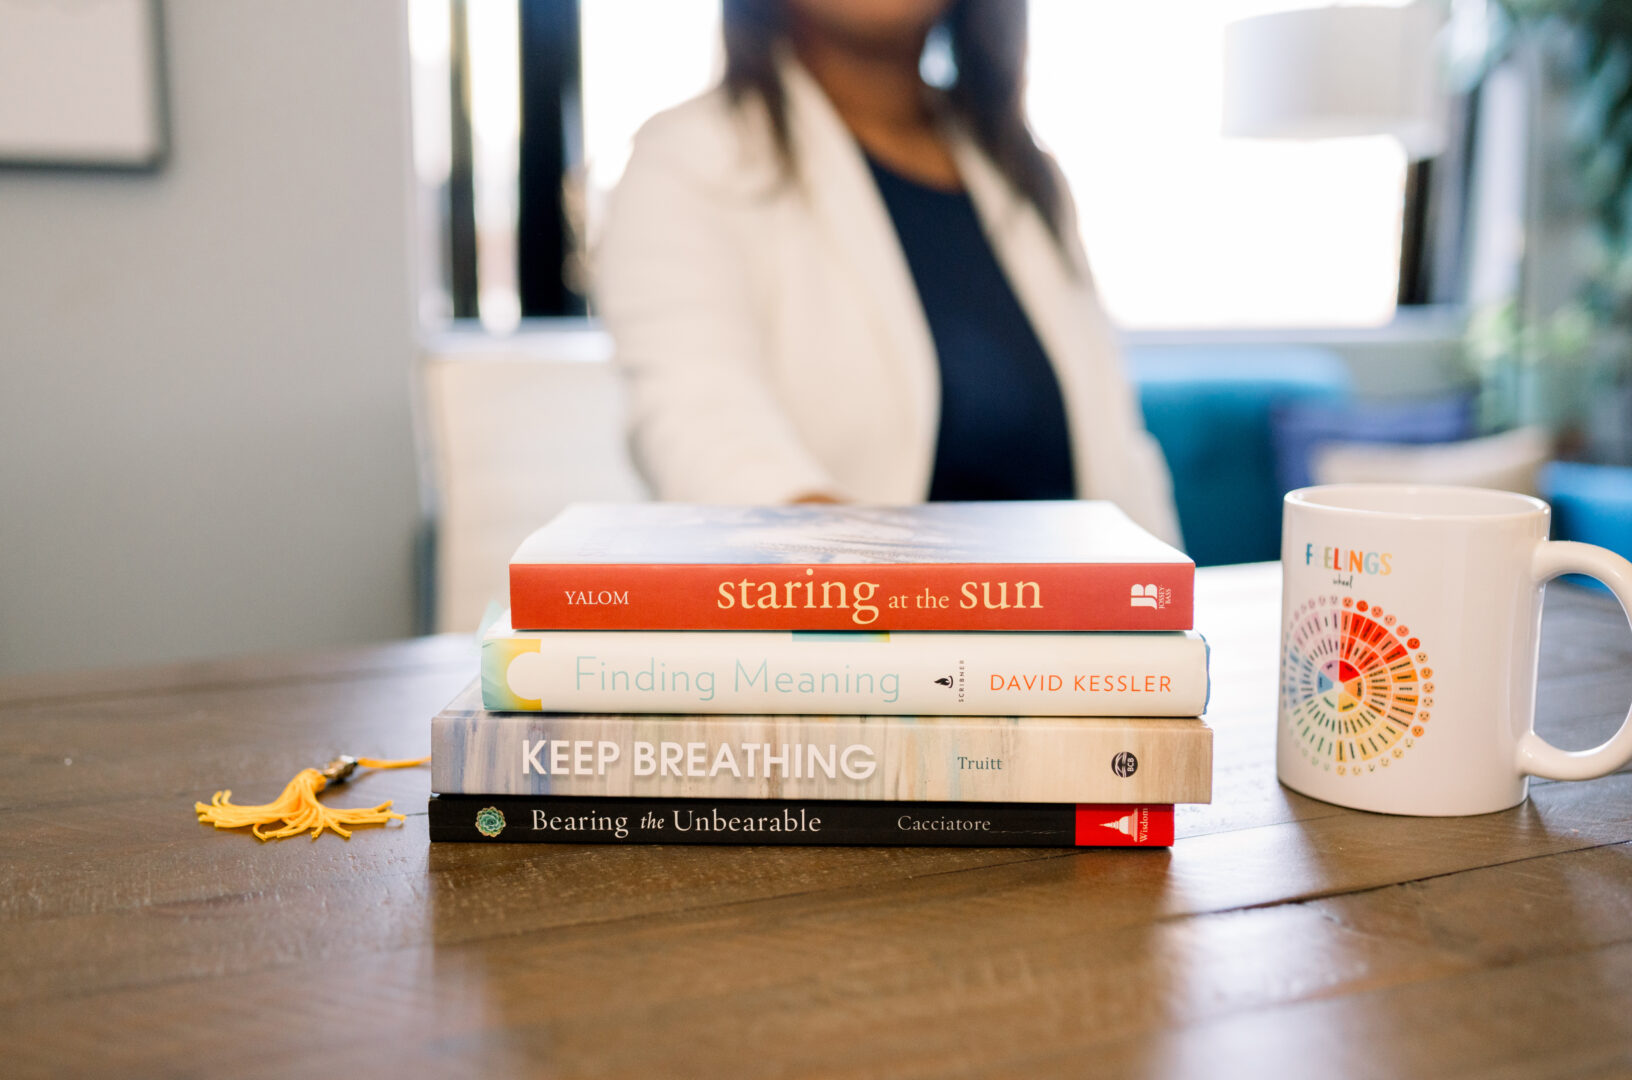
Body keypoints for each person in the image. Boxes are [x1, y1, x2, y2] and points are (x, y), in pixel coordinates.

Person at [594, 0, 1181, 544]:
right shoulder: (689, 157)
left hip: (1092, 641)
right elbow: (705, 430)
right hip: (863, 638)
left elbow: (1121, 453)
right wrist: (887, 592)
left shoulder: (1024, 172)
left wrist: (1171, 627)